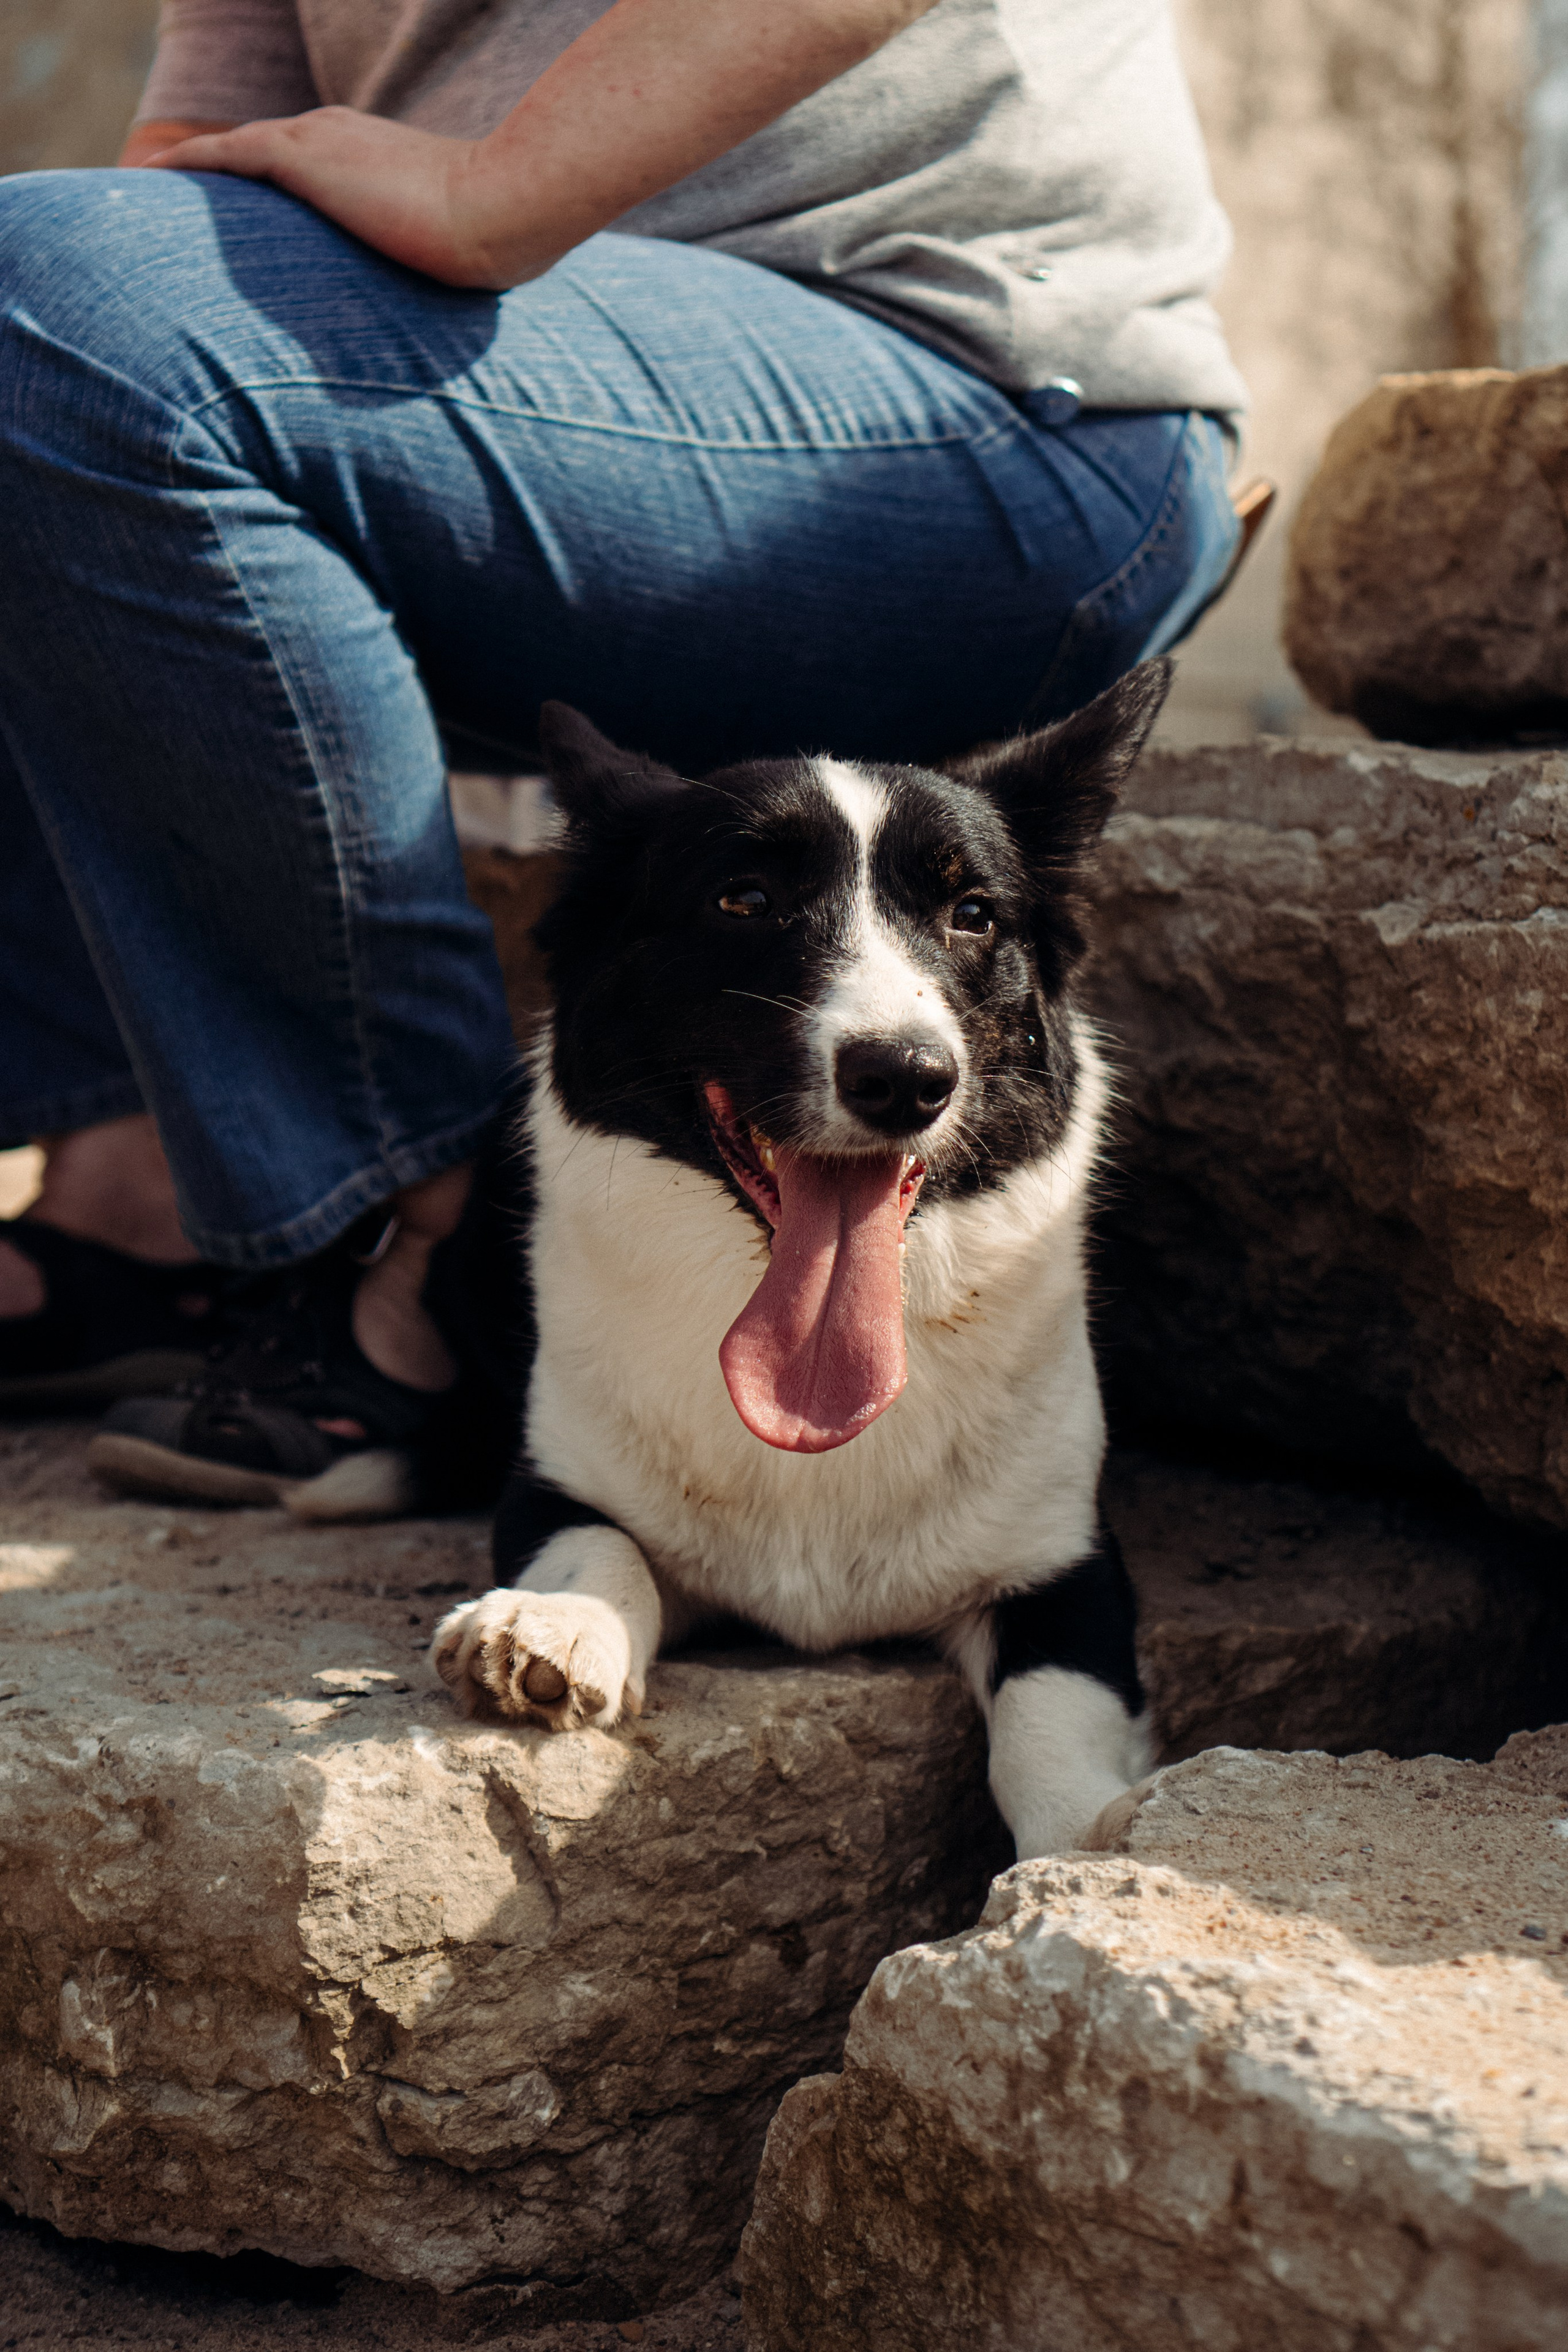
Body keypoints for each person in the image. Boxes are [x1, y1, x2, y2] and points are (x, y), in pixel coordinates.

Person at [0, 0, 1247, 1504]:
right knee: (50, 323)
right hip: (511, 384)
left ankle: (423, 1262)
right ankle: (137, 1192)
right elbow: (207, 134)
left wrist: (487, 192)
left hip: (975, 388)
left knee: (39, 304)